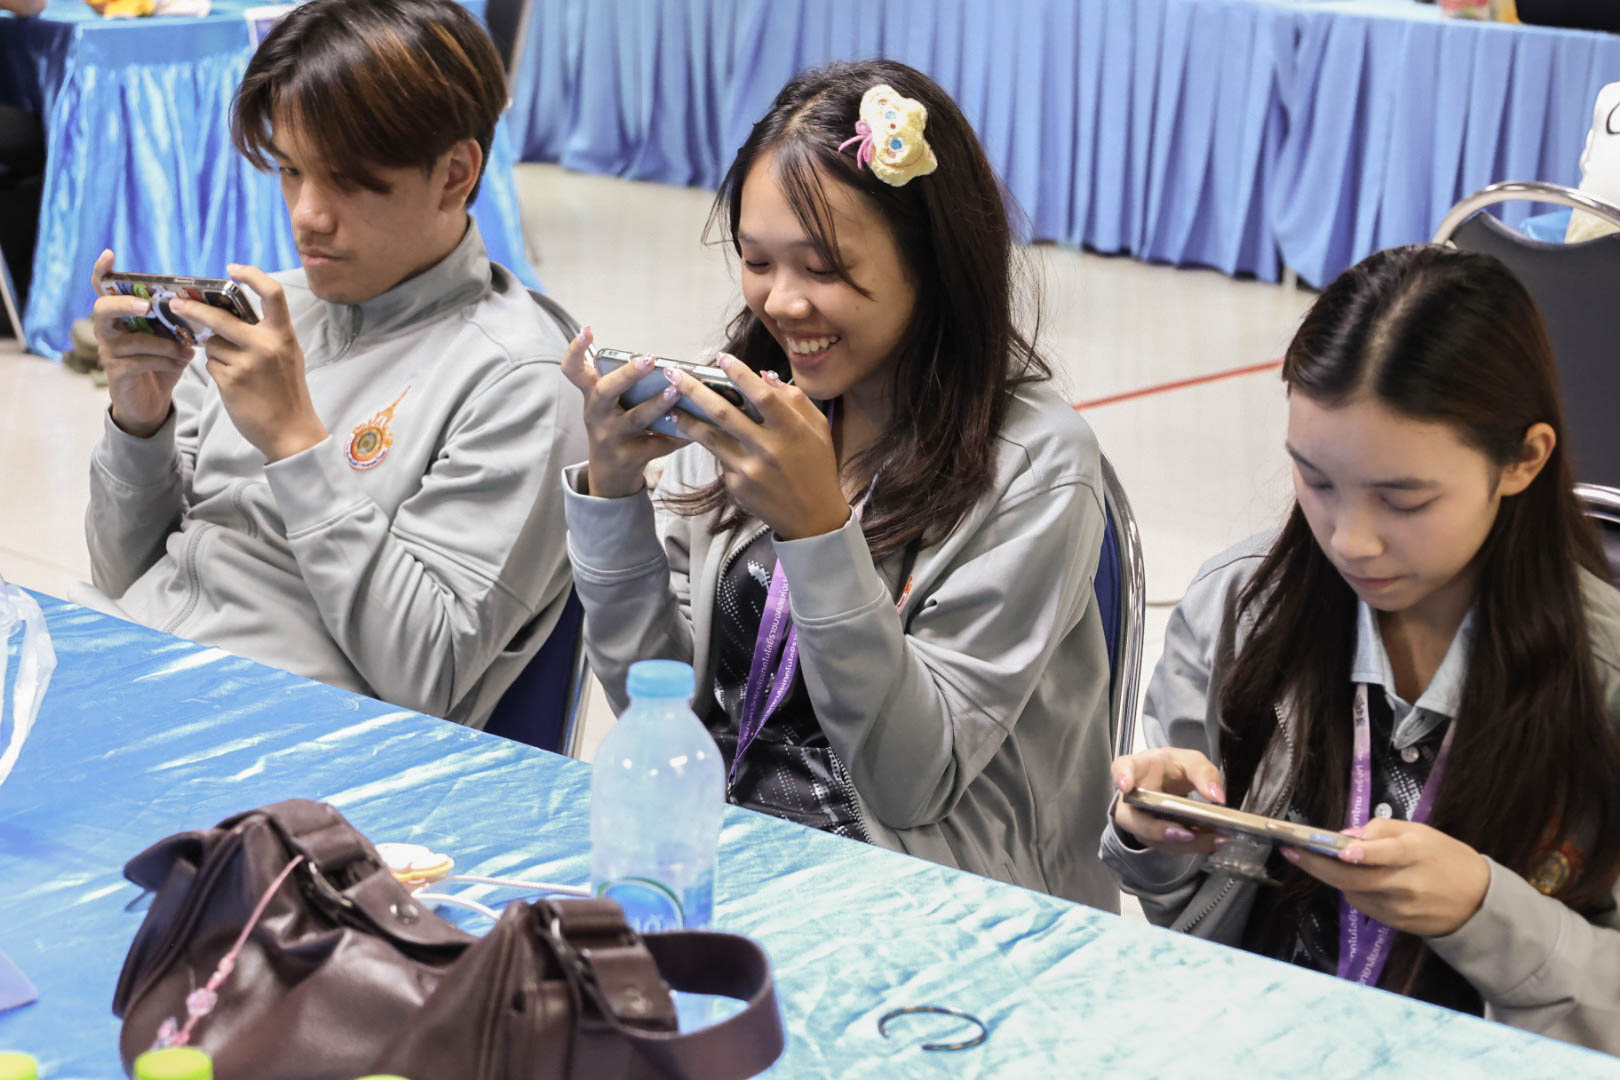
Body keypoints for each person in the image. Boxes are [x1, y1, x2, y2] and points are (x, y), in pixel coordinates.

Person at [559, 59, 1119, 910]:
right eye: (756, 261)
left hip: (928, 902)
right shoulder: (751, 403)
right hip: (731, 856)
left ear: (930, 261)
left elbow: (910, 781)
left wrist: (818, 529)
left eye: (822, 268)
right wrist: (613, 496)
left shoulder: (1036, 466)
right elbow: (656, 701)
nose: (783, 304)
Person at [1101, 244, 1620, 1051]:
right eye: (1316, 482)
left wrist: (1485, 912)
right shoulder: (1240, 611)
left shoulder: (1601, 679)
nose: (1351, 540)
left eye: (1403, 501)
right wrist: (1154, 836)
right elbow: (1190, 923)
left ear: (1524, 460)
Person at [83, 0, 585, 727]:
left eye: (347, 180)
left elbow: (427, 675)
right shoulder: (268, 313)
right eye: (291, 171)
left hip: (286, 736)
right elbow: (122, 575)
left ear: (454, 174)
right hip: (140, 670)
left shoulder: (521, 381)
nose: (307, 215)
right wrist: (139, 424)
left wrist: (295, 443)